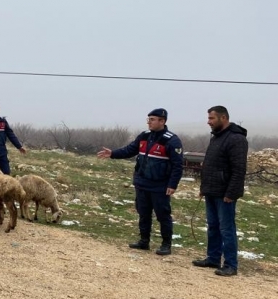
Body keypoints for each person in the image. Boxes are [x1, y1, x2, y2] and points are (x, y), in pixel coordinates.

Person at [97, 108, 183, 255]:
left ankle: (166, 244)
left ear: (162, 121)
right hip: (142, 182)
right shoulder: (144, 136)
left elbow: (177, 165)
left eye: (152, 119)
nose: (148, 122)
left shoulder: (171, 140)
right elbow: (130, 150)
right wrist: (112, 154)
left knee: (163, 215)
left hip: (160, 185)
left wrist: (172, 184)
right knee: (143, 213)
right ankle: (144, 241)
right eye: (148, 119)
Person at [192, 106, 248, 277]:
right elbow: (210, 165)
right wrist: (204, 188)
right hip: (211, 191)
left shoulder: (236, 139)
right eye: (208, 118)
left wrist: (231, 193)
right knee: (213, 226)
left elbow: (239, 170)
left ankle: (231, 264)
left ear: (223, 118)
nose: (208, 122)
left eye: (212, 118)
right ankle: (213, 258)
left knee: (226, 228)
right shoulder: (216, 137)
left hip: (225, 194)